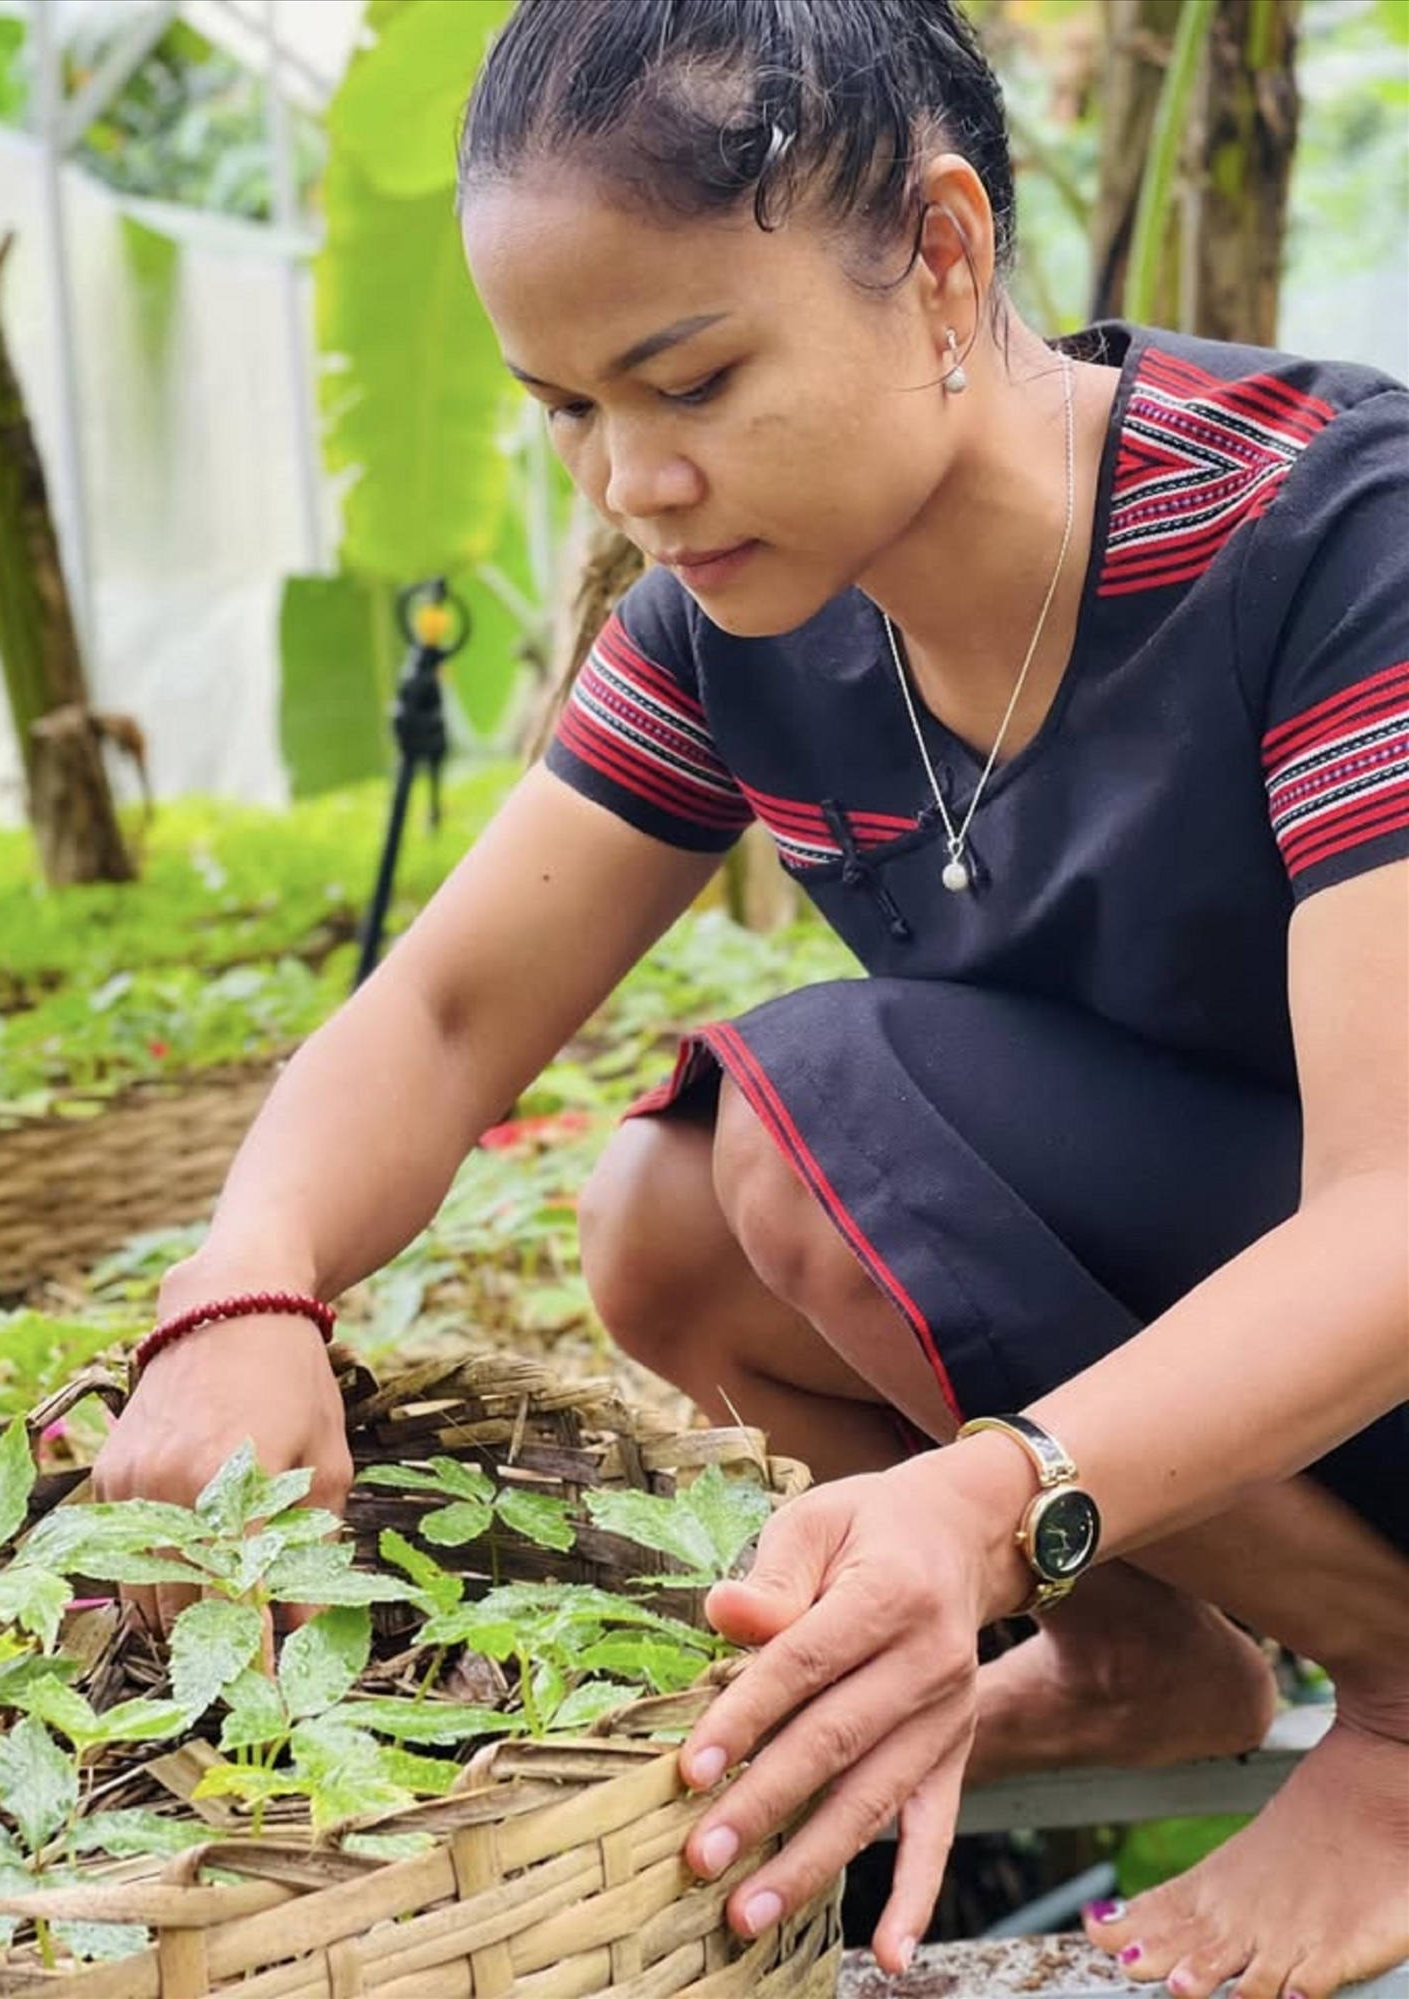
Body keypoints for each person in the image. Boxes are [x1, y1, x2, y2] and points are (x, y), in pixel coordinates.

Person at [94, 1, 1409, 1991]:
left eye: (691, 378)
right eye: (566, 409)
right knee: (669, 1213)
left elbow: (1390, 1214)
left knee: (822, 1108)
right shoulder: (734, 626)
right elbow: (444, 1016)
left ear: (943, 256)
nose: (634, 479)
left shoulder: (1326, 535)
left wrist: (989, 1507)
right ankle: (1144, 1656)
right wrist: (245, 1288)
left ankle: (1399, 1701)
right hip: (1231, 1355)